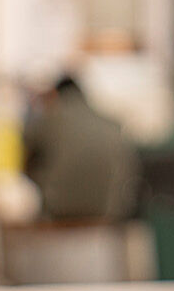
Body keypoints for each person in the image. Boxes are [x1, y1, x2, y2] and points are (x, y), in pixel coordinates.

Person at [22, 74, 140, 223]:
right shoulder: (110, 123)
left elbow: (26, 148)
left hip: (59, 209)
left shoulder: (51, 119)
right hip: (106, 211)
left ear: (55, 94)